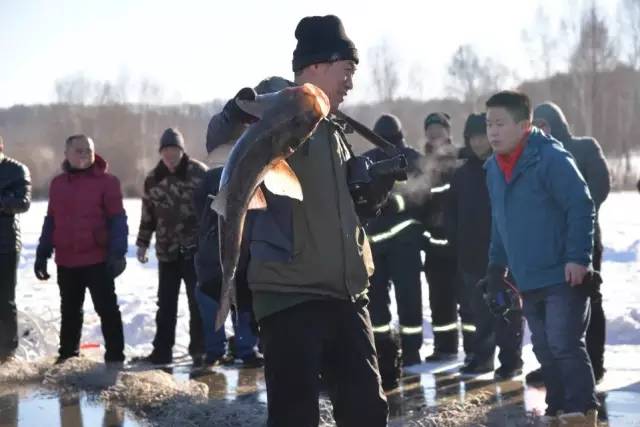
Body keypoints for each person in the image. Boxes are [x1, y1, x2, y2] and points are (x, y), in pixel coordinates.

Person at [206, 14, 390, 427]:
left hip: (347, 295)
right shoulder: (280, 100)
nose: (351, 82)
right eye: (347, 71)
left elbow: (333, 206)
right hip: (291, 295)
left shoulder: (336, 130)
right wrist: (238, 108)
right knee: (295, 417)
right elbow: (217, 139)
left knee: (367, 412)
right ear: (318, 66)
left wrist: (370, 195)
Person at [484, 91, 598, 425]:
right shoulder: (492, 167)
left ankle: (582, 411)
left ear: (524, 125)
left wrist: (579, 257)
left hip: (563, 273)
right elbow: (499, 222)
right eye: (489, 123)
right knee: (545, 349)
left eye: (500, 123)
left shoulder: (549, 157)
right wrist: (495, 267)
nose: (492, 131)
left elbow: (581, 204)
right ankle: (559, 408)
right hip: (527, 276)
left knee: (564, 343)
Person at [527, 102, 610, 384]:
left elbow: (599, 187)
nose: (540, 129)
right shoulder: (533, 156)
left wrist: (570, 218)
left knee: (587, 303)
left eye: (546, 123)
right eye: (535, 124)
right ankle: (555, 366)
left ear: (558, 125)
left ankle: (594, 364)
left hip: (583, 241)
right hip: (547, 248)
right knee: (549, 308)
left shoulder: (584, 147)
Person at [34, 134, 127, 364]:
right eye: (79, 150)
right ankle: (68, 355)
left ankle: (115, 357)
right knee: (70, 311)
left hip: (97, 258)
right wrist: (42, 253)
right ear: (66, 154)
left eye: (88, 150)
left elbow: (118, 220)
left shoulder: (108, 182)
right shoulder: (58, 184)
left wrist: (118, 253)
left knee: (107, 309)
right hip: (66, 260)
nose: (84, 154)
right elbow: (51, 220)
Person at [448, 113, 524, 379]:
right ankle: (482, 358)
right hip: (471, 254)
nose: (478, 142)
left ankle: (511, 360)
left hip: (502, 256)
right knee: (478, 311)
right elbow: (452, 212)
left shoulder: (504, 167)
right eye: (473, 137)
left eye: (483, 136)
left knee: (506, 309)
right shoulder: (462, 173)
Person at [135, 128, 206, 365]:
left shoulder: (199, 173)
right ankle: (162, 351)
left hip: (194, 250)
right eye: (165, 150)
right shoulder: (153, 178)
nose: (169, 154)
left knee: (198, 301)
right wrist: (143, 243)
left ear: (181, 150)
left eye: (174, 149)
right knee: (165, 304)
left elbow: (212, 210)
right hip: (167, 251)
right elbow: (148, 215)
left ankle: (201, 350)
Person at [363, 114, 425, 372]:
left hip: (402, 245)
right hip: (378, 247)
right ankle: (387, 351)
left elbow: (423, 194)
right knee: (379, 304)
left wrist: (391, 204)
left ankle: (408, 352)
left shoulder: (411, 159)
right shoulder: (368, 160)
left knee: (406, 299)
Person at [192, 164, 262, 367]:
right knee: (212, 302)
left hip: (241, 260)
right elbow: (198, 210)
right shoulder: (210, 185)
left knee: (243, 304)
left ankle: (245, 349)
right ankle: (217, 350)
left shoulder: (249, 184)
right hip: (211, 262)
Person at [421, 112, 474, 362]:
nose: (434, 135)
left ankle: (475, 348)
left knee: (469, 300)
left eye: (438, 130)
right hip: (434, 247)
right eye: (430, 131)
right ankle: (445, 348)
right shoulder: (422, 164)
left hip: (461, 245)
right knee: (440, 301)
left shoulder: (462, 158)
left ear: (448, 132)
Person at [0, 135, 31, 363]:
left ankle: (8, 352)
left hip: (5, 244)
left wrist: (2, 201)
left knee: (5, 299)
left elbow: (24, 203)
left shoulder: (16, 170)